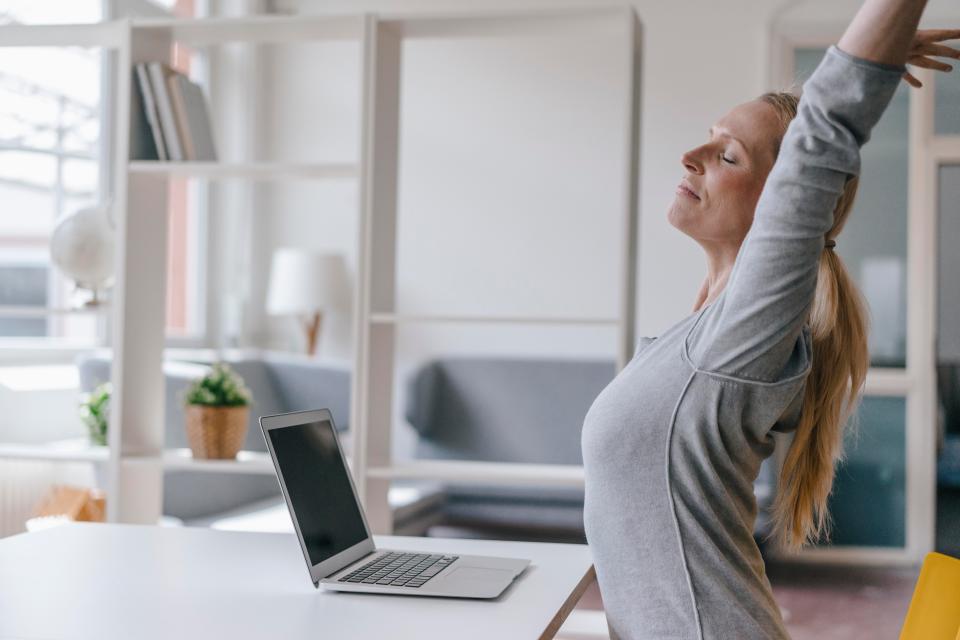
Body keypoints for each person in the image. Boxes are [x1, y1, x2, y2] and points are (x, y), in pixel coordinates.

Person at [580, 0, 960, 637]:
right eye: (709, 136)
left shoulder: (740, 338)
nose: (692, 154)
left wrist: (861, 61)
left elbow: (820, 138)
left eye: (729, 158)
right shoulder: (705, 334)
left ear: (780, 212)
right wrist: (853, 65)